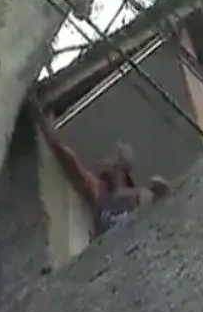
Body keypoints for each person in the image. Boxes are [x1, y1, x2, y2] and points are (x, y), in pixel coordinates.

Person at [30, 96, 169, 237]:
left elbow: (158, 215)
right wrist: (44, 124)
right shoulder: (100, 192)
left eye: (111, 156)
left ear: (121, 164)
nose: (104, 160)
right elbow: (68, 159)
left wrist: (160, 193)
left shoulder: (140, 195)